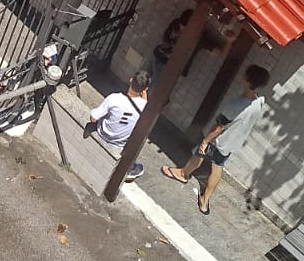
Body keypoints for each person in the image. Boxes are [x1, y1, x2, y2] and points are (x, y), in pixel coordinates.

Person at [160, 64, 271, 214]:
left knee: (199, 152)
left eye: (245, 75)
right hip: (232, 144)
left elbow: (219, 127)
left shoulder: (236, 104)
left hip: (219, 140)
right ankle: (205, 200)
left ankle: (183, 174)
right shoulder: (260, 102)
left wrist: (205, 141)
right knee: (217, 167)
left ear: (247, 80)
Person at [87, 69, 151, 182]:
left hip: (103, 133)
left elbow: (93, 118)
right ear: (145, 89)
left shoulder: (114, 98)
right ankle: (130, 168)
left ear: (131, 80)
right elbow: (145, 111)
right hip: (120, 143)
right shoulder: (145, 108)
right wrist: (144, 97)